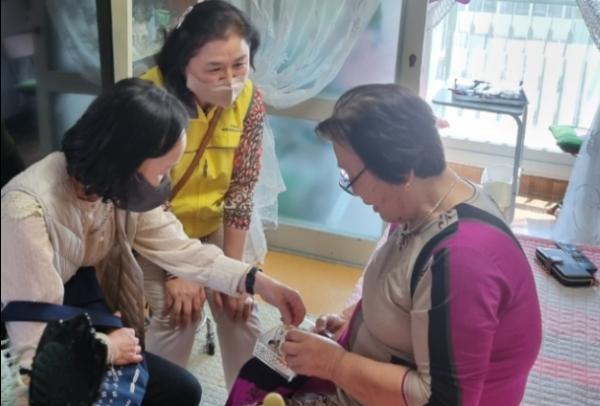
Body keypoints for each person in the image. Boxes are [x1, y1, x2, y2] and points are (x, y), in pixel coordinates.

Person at [227, 84, 542, 406]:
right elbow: (405, 291)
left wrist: (334, 364)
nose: (354, 192)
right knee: (262, 368)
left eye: (352, 176)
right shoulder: (421, 206)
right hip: (374, 376)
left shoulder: (462, 261)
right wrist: (354, 321)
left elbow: (443, 400)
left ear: (402, 170)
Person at [0, 78, 305, 405]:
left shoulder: (111, 186)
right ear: (125, 159)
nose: (165, 184)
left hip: (80, 304)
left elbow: (183, 251)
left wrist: (260, 283)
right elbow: (33, 362)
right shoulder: (25, 212)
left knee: (183, 389)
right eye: (162, 173)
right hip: (36, 331)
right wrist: (106, 349)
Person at [139, 0, 266, 387]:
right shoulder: (149, 97)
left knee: (241, 311)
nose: (230, 79)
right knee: (177, 313)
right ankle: (163, 394)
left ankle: (249, 396)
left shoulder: (251, 101)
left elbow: (241, 189)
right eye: (214, 68)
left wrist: (234, 274)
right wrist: (179, 270)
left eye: (239, 65)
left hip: (211, 224)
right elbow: (145, 194)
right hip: (155, 228)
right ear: (183, 62)